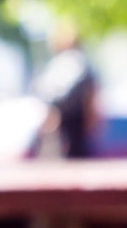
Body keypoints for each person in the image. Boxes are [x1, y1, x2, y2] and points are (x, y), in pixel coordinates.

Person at [35, 23, 96, 158]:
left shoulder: (55, 64)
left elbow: (47, 93)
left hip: (58, 117)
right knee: (78, 156)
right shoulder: (81, 61)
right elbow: (90, 92)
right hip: (77, 119)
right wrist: (91, 117)